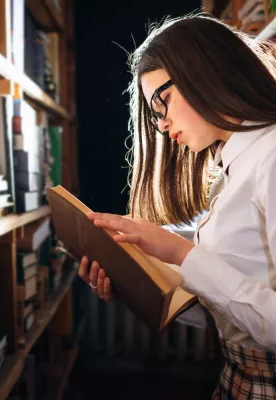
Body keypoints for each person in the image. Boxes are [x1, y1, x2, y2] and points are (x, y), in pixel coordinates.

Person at [78, 13, 276, 399]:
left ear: (206, 70)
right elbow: (234, 309)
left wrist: (178, 252)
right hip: (240, 377)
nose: (163, 125)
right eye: (155, 114)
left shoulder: (270, 156)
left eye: (162, 101)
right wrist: (137, 283)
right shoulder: (235, 164)